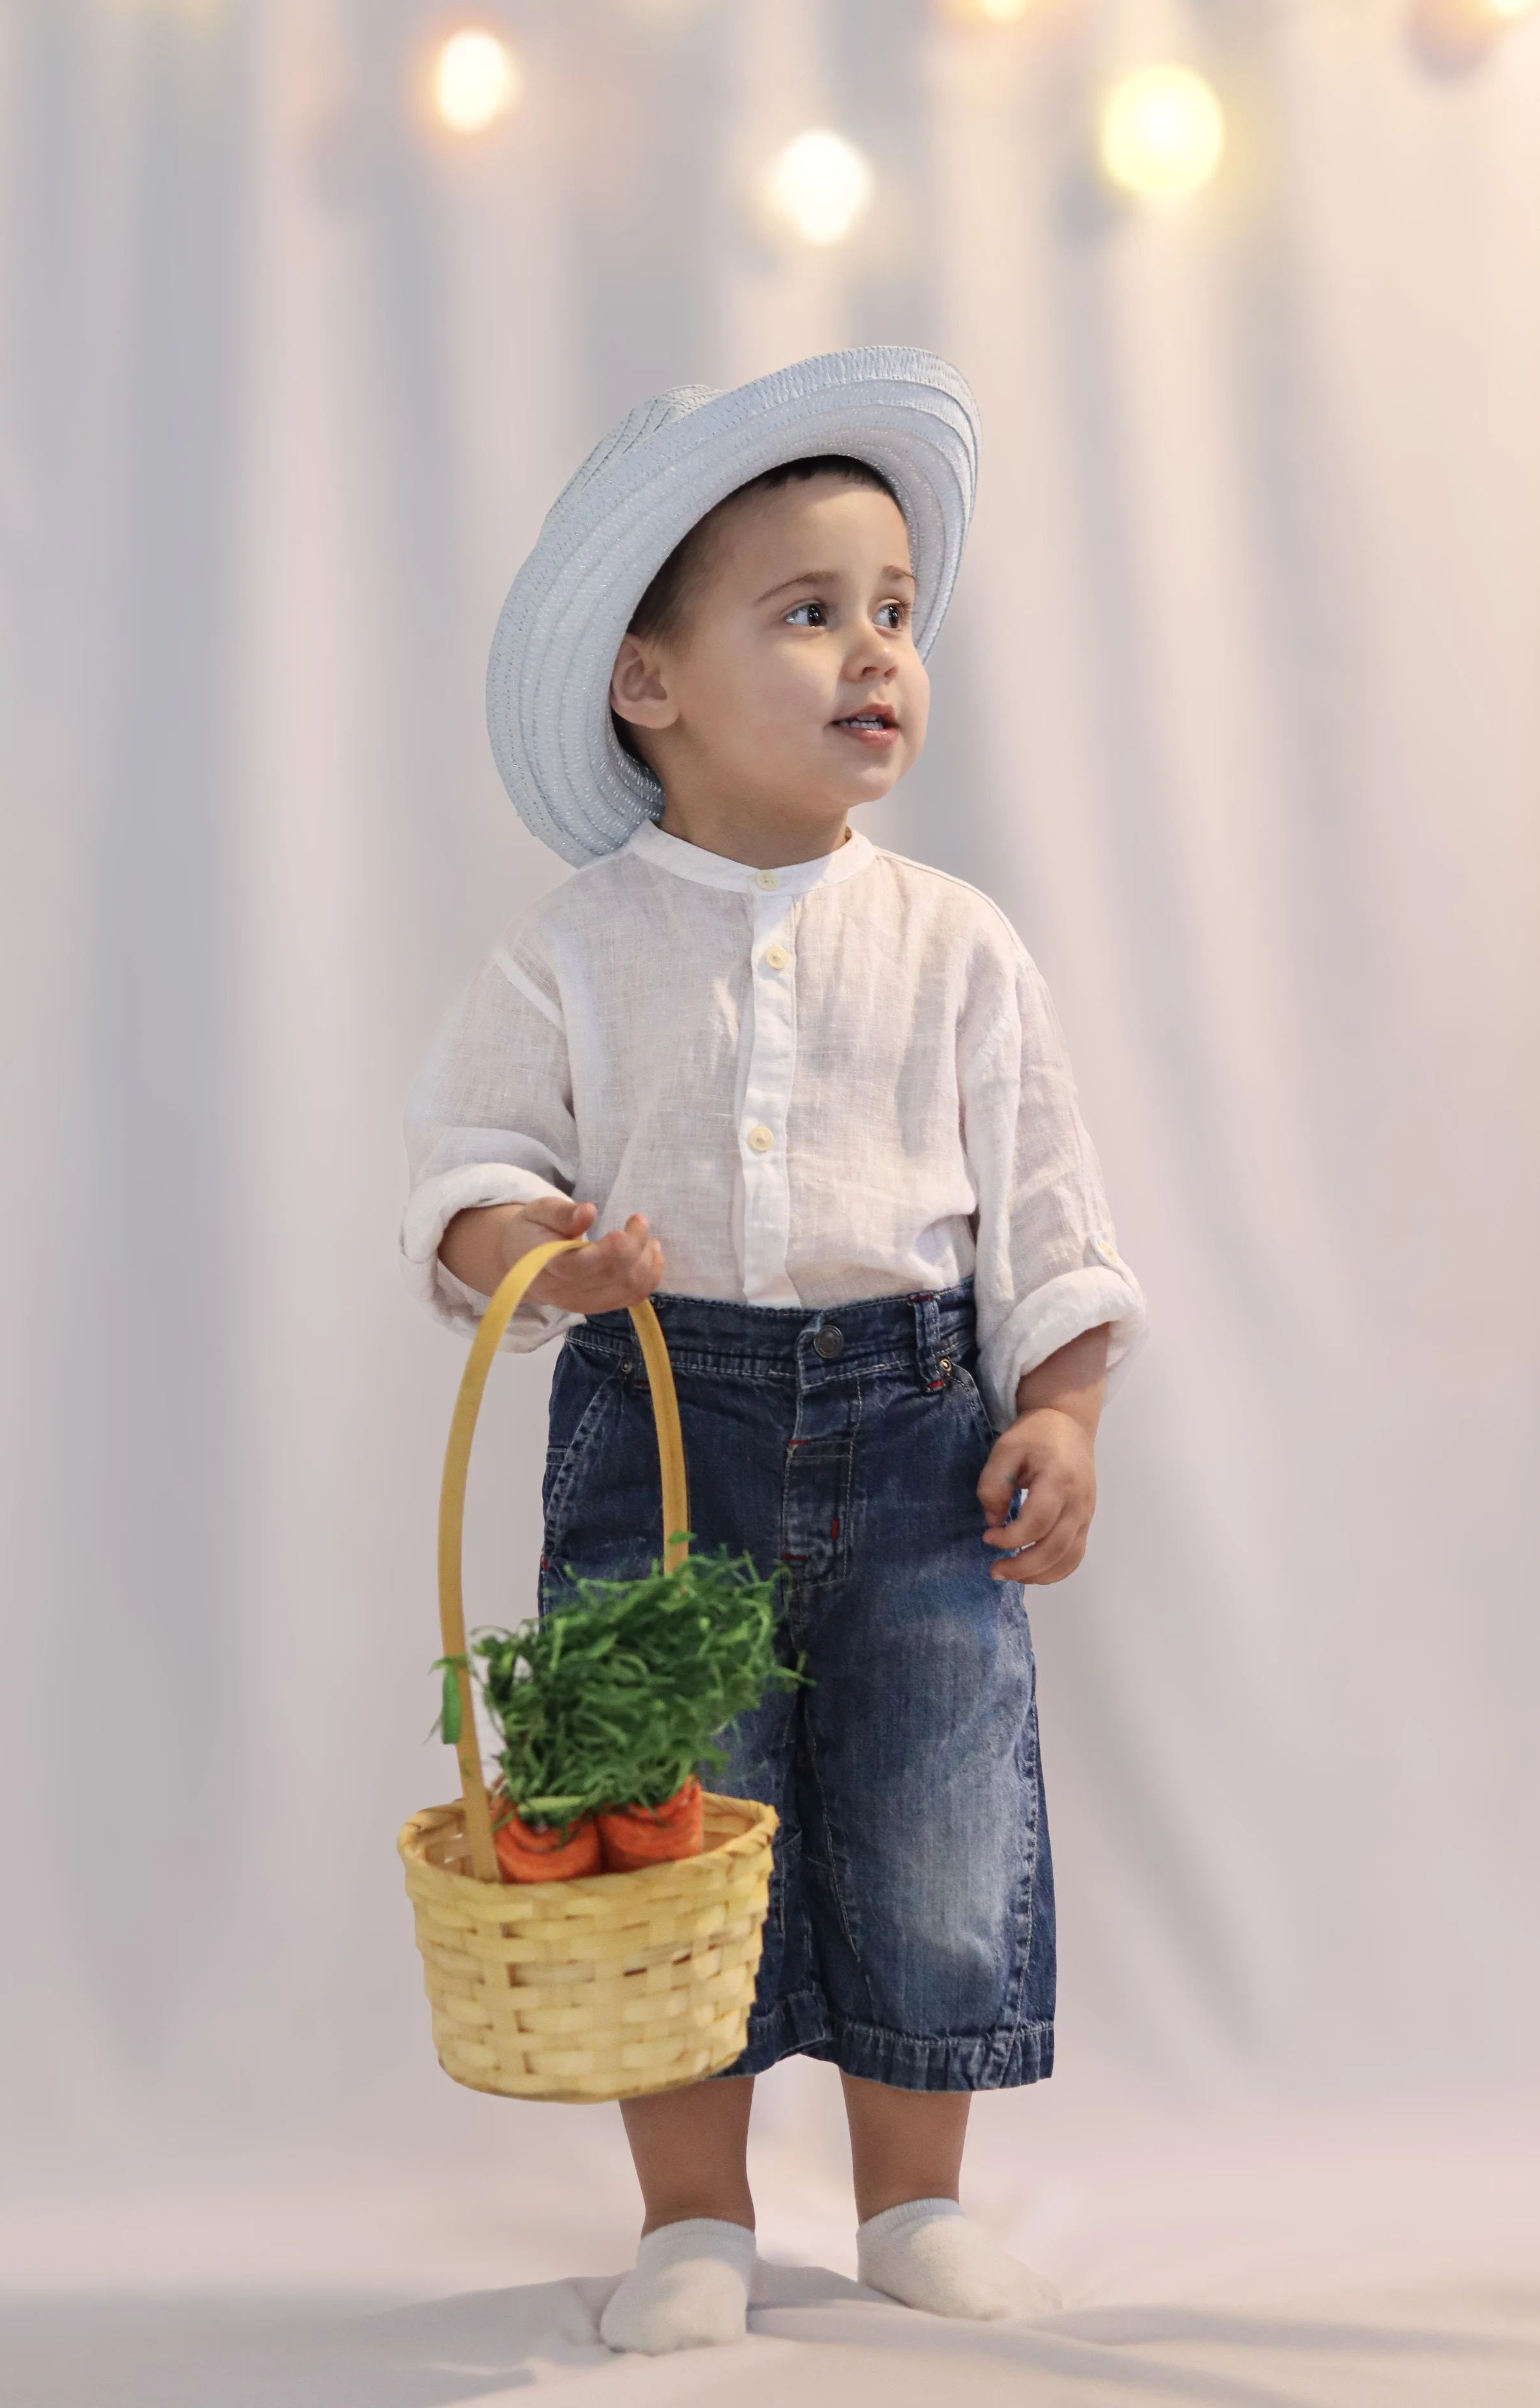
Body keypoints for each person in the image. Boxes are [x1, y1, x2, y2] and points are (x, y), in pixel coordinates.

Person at [402, 349, 1147, 2354]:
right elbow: (460, 1177)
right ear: (648, 683)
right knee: (667, 1818)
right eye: (808, 612)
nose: (873, 652)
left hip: (919, 1434)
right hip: (661, 1433)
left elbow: (1050, 1219)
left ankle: (914, 2196)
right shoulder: (573, 944)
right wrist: (543, 1251)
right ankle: (692, 2214)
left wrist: (1058, 1409)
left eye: (894, 611)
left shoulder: (958, 941)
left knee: (932, 1808)